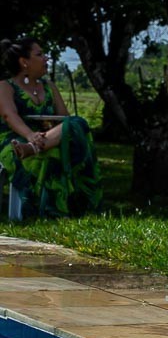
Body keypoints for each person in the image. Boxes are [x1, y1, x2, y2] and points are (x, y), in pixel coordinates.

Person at [0, 36, 102, 218]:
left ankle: (34, 148)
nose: (46, 58)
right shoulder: (5, 86)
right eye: (40, 54)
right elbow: (9, 116)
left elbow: (65, 120)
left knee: (77, 123)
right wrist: (31, 135)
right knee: (57, 147)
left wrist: (42, 136)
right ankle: (48, 209)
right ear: (24, 62)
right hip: (13, 140)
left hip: (42, 139)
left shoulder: (49, 87)